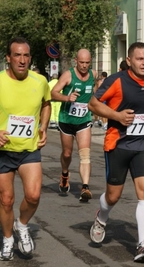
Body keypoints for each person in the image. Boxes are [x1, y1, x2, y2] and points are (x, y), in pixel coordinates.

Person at [88, 42, 144, 263]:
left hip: (142, 145)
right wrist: (116, 116)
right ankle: (102, 217)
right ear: (129, 60)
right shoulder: (117, 80)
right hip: (118, 145)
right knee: (113, 196)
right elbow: (93, 104)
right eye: (140, 59)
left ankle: (143, 242)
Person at [0, 37, 51, 261]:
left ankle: (21, 225)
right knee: (6, 200)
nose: (22, 60)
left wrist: (43, 126)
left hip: (29, 149)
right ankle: (7, 239)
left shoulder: (40, 81)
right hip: (2, 150)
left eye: (26, 55)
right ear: (8, 58)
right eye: (17, 55)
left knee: (33, 196)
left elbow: (46, 103)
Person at [51, 48, 97, 202]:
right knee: (67, 153)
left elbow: (95, 93)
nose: (84, 66)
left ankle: (85, 187)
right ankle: (65, 173)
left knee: (85, 154)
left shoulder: (93, 75)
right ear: (76, 61)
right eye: (81, 62)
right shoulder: (68, 75)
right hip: (66, 120)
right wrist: (67, 98)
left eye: (87, 63)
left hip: (84, 120)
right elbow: (53, 93)